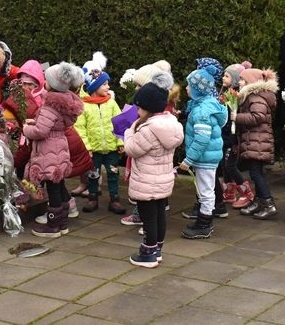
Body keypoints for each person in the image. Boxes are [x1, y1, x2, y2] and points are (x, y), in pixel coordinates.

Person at [123, 78, 184, 267]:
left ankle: (148, 254)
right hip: (163, 180)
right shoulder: (170, 123)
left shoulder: (148, 129)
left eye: (139, 107)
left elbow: (132, 149)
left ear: (147, 108)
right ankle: (157, 250)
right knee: (159, 215)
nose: (137, 111)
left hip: (147, 182)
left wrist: (129, 131)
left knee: (148, 217)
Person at [23, 62, 85, 238]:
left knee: (52, 186)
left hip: (49, 148)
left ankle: (53, 226)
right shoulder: (65, 102)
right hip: (59, 144)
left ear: (53, 84)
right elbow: (53, 124)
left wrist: (26, 129)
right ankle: (62, 223)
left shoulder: (51, 104)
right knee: (59, 184)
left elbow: (41, 131)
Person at [73, 52, 126, 214]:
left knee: (113, 174)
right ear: (94, 87)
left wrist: (121, 142)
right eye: (105, 84)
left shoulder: (111, 102)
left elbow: (120, 122)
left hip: (111, 148)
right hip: (93, 150)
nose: (108, 87)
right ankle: (92, 198)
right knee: (93, 175)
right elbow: (80, 128)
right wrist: (86, 147)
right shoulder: (85, 106)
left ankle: (115, 199)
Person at [179, 65, 227, 239]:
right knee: (205, 190)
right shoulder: (206, 105)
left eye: (189, 85)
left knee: (205, 191)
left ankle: (204, 224)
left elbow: (202, 138)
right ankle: (203, 220)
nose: (186, 88)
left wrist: (189, 159)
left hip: (204, 158)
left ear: (198, 89)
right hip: (208, 156)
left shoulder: (200, 112)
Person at [234, 67, 280, 219]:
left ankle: (268, 203)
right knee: (255, 172)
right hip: (255, 141)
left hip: (258, 141)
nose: (239, 82)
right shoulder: (251, 96)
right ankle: (260, 201)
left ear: (250, 82)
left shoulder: (256, 97)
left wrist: (236, 117)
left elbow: (257, 116)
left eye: (241, 79)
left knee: (256, 173)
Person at [220, 62, 253, 208]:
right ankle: (229, 193)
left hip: (232, 138)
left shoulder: (236, 96)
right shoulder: (224, 93)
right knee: (225, 166)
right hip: (225, 136)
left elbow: (234, 118)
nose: (223, 78)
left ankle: (247, 193)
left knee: (230, 166)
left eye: (227, 76)